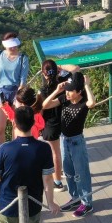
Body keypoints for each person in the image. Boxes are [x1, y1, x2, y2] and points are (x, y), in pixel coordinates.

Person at [41, 71, 96, 218]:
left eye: (70, 91)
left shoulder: (83, 103)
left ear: (79, 92)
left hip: (77, 142)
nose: (68, 93)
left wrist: (87, 86)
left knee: (81, 173)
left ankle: (86, 203)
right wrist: (57, 91)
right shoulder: (64, 99)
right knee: (69, 172)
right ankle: (75, 198)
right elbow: (45, 105)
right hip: (64, 140)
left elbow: (92, 103)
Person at [39, 59, 71, 190]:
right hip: (65, 121)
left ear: (43, 73)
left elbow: (42, 107)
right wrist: (61, 67)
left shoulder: (43, 90)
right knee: (63, 151)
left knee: (55, 153)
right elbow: (76, 68)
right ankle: (62, 175)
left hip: (50, 124)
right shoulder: (64, 82)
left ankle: (57, 182)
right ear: (57, 70)